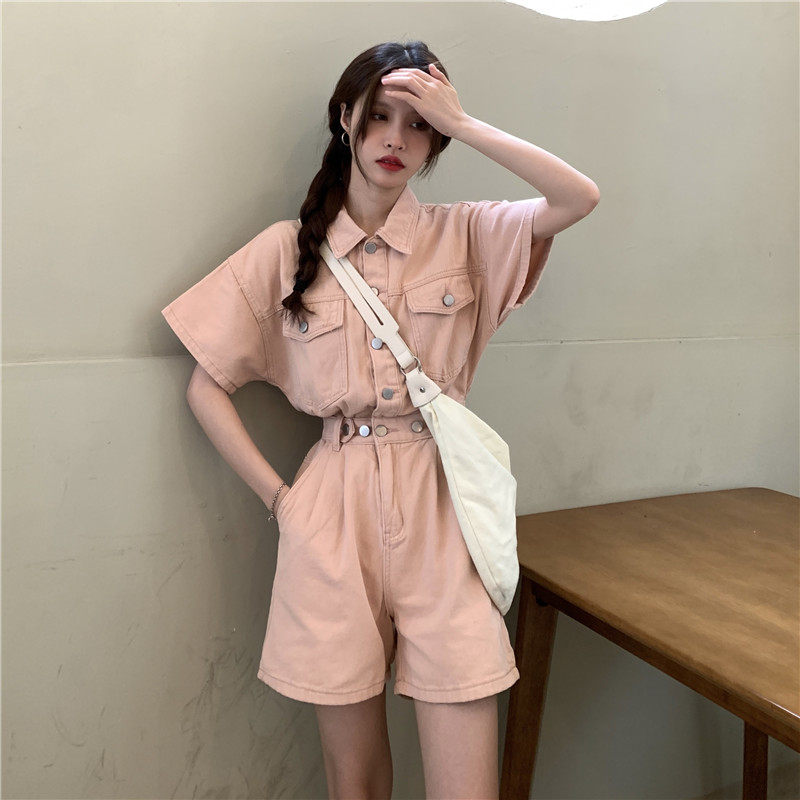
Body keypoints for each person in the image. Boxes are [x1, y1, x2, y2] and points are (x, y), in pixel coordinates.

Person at [161, 39, 598, 800]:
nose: (396, 138)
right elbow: (206, 387)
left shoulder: (466, 234)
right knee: (355, 782)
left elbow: (576, 197)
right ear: (345, 119)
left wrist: (464, 123)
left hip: (442, 505)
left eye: (418, 124)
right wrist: (284, 504)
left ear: (436, 140)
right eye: (378, 117)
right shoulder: (286, 250)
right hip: (331, 509)